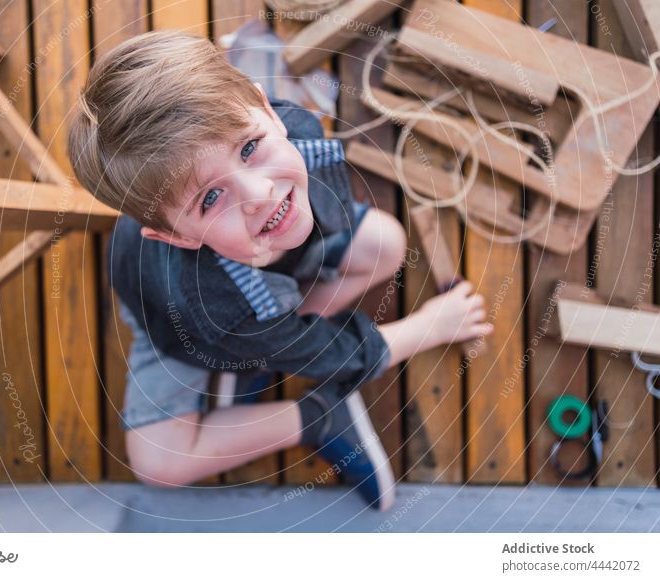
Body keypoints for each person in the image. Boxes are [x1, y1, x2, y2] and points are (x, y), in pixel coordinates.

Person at [67, 30, 492, 511]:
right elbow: (328, 355)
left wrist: (281, 246)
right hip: (183, 326)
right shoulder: (215, 309)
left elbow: (324, 207)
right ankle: (318, 414)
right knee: (158, 462)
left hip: (266, 284)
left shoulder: (301, 132)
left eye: (249, 148)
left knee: (386, 243)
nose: (261, 194)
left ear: (268, 110)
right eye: (211, 197)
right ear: (179, 236)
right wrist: (430, 325)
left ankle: (261, 353)